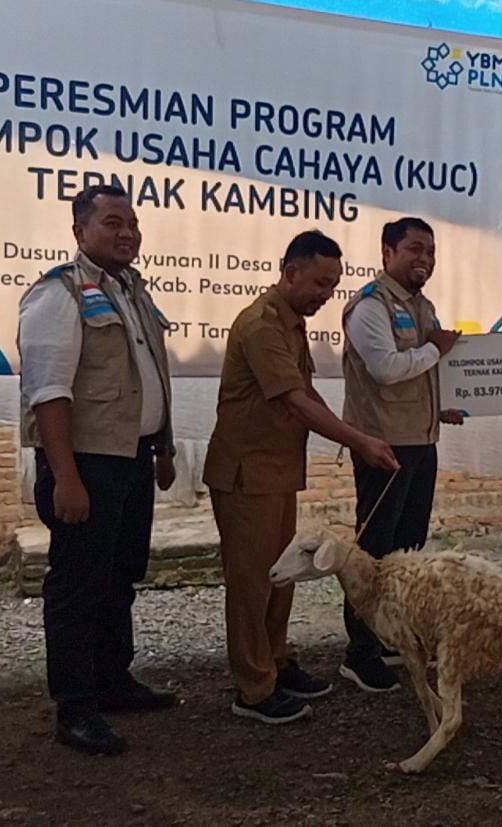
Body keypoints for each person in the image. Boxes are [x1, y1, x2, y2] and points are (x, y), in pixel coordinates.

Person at [204, 230, 400, 725]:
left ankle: (277, 663)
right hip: (246, 473)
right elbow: (294, 400)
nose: (324, 295)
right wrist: (360, 441)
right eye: (318, 283)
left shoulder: (290, 324)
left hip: (275, 472)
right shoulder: (261, 325)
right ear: (290, 273)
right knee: (252, 583)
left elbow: (307, 398)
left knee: (281, 575)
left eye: (332, 286)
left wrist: (354, 432)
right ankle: (253, 689)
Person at [18, 185, 178, 755]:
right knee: (78, 585)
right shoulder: (58, 294)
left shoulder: (132, 291)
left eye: (132, 223)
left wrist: (163, 448)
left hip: (131, 459)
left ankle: (113, 679)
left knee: (119, 576)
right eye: (112, 222)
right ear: (80, 231)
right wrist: (65, 476)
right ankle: (76, 707)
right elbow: (48, 390)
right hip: (85, 463)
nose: (127, 232)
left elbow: (147, 375)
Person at [337, 216, 463, 692]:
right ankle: (359, 652)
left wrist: (443, 404)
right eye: (414, 249)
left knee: (407, 548)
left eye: (430, 251)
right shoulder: (370, 307)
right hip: (382, 446)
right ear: (387, 251)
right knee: (372, 551)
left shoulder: (421, 305)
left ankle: (393, 637)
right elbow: (387, 369)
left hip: (421, 441)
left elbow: (423, 373)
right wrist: (434, 348)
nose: (424, 259)